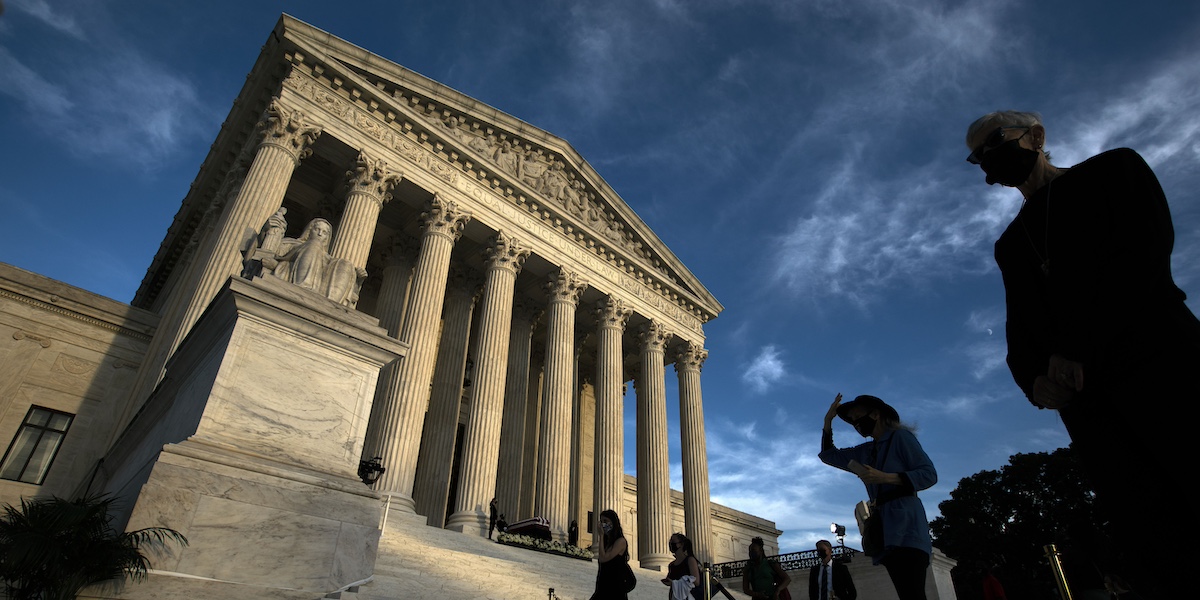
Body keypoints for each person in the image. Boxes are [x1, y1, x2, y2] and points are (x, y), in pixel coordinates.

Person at [965, 110, 1200, 599]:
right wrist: (1032, 377)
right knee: (1150, 530)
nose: (987, 160)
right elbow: (1021, 325)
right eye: (977, 156)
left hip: (1163, 361)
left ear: (1036, 136)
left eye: (993, 143)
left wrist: (1074, 348)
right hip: (1090, 401)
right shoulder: (1011, 243)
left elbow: (1144, 253)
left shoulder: (1113, 170)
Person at [819, 394, 936, 600]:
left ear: (875, 414)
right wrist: (828, 422)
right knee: (905, 593)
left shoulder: (901, 437)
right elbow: (830, 456)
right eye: (852, 420)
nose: (856, 423)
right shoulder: (867, 450)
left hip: (907, 521)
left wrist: (886, 477)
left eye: (858, 416)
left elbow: (928, 475)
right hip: (885, 527)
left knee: (914, 592)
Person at [591, 509, 631, 600]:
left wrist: (601, 536)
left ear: (613, 522)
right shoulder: (607, 543)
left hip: (614, 592)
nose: (602, 524)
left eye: (605, 521)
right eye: (601, 521)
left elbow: (603, 558)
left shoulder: (621, 541)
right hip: (603, 589)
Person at [663, 532, 701, 600]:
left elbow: (696, 581)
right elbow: (671, 584)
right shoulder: (671, 565)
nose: (671, 544)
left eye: (673, 541)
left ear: (681, 544)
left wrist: (676, 583)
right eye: (670, 541)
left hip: (688, 596)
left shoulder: (690, 560)